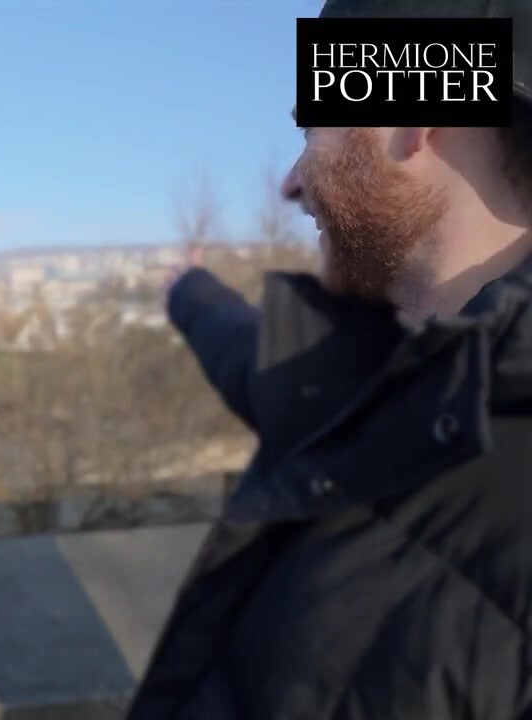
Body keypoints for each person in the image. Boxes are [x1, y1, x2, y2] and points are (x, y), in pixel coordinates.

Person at [128, 1, 532, 717]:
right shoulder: (411, 380)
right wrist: (190, 292)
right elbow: (269, 367)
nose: (292, 182)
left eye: (316, 126)